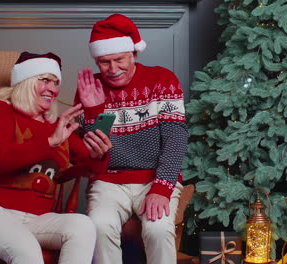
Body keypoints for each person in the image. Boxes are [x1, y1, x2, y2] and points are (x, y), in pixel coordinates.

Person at [0, 51, 112, 264]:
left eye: (56, 82)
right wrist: (49, 142)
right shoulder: (2, 111)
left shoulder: (57, 127)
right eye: (45, 80)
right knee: (27, 250)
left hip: (36, 218)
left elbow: (93, 167)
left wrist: (98, 154)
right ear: (26, 81)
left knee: (83, 226)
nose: (53, 89)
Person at [75, 14, 188, 264]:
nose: (113, 69)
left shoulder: (162, 80)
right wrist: (93, 111)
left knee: (158, 229)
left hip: (154, 177)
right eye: (104, 62)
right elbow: (91, 155)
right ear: (96, 60)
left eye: (119, 59)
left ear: (134, 54)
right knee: (98, 226)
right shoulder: (89, 87)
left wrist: (161, 188)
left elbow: (176, 139)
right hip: (109, 180)